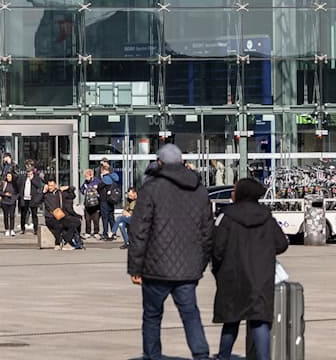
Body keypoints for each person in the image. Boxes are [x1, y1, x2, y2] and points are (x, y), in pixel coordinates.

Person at [128, 144, 213, 360]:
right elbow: (207, 231)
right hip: (187, 268)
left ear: (159, 162)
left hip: (155, 268)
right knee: (190, 313)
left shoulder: (150, 188)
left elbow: (139, 230)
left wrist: (135, 267)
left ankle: (152, 355)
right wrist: (201, 263)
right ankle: (201, 354)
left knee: (152, 316)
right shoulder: (198, 188)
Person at [212, 178, 289, 360]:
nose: (232, 193)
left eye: (234, 190)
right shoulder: (266, 216)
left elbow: (217, 247)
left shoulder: (227, 216)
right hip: (260, 278)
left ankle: (223, 356)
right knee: (259, 320)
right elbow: (281, 244)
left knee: (231, 321)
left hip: (233, 277)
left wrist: (217, 270)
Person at [42, 178, 83, 250]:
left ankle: (68, 241)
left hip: (60, 216)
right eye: (49, 185)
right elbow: (36, 201)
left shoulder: (59, 193)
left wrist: (68, 187)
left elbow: (72, 196)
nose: (50, 187)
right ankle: (58, 243)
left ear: (55, 185)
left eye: (52, 185)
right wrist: (43, 192)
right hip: (50, 217)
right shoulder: (45, 195)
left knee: (74, 223)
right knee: (59, 225)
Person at [17, 162, 44, 235]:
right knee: (23, 214)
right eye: (27, 172)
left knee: (34, 214)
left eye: (30, 172)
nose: (28, 173)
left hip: (33, 199)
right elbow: (19, 185)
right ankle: (23, 229)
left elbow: (39, 186)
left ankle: (35, 229)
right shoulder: (23, 177)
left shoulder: (36, 178)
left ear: (32, 172)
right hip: (25, 198)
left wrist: (32, 180)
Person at [99, 163, 121, 241]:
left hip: (104, 200)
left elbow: (99, 187)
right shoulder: (113, 177)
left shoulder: (105, 178)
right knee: (111, 217)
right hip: (111, 200)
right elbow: (117, 179)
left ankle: (105, 233)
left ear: (104, 170)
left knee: (105, 218)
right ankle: (113, 232)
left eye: (102, 171)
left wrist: (101, 178)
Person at [80, 168, 102, 239]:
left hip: (96, 204)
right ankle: (88, 232)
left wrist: (96, 189)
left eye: (87, 176)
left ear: (91, 175)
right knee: (87, 219)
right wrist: (84, 190)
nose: (86, 178)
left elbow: (101, 190)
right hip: (87, 203)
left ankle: (96, 232)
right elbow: (81, 189)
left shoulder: (97, 181)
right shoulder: (85, 182)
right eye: (85, 177)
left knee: (96, 219)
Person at [0, 171, 18, 237]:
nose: (9, 178)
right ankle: (7, 229)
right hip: (4, 202)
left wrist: (15, 198)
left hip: (12, 202)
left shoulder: (15, 184)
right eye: (7, 176)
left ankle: (12, 229)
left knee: (12, 216)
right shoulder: (3, 183)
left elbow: (18, 192)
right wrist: (5, 194)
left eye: (10, 176)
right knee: (6, 216)